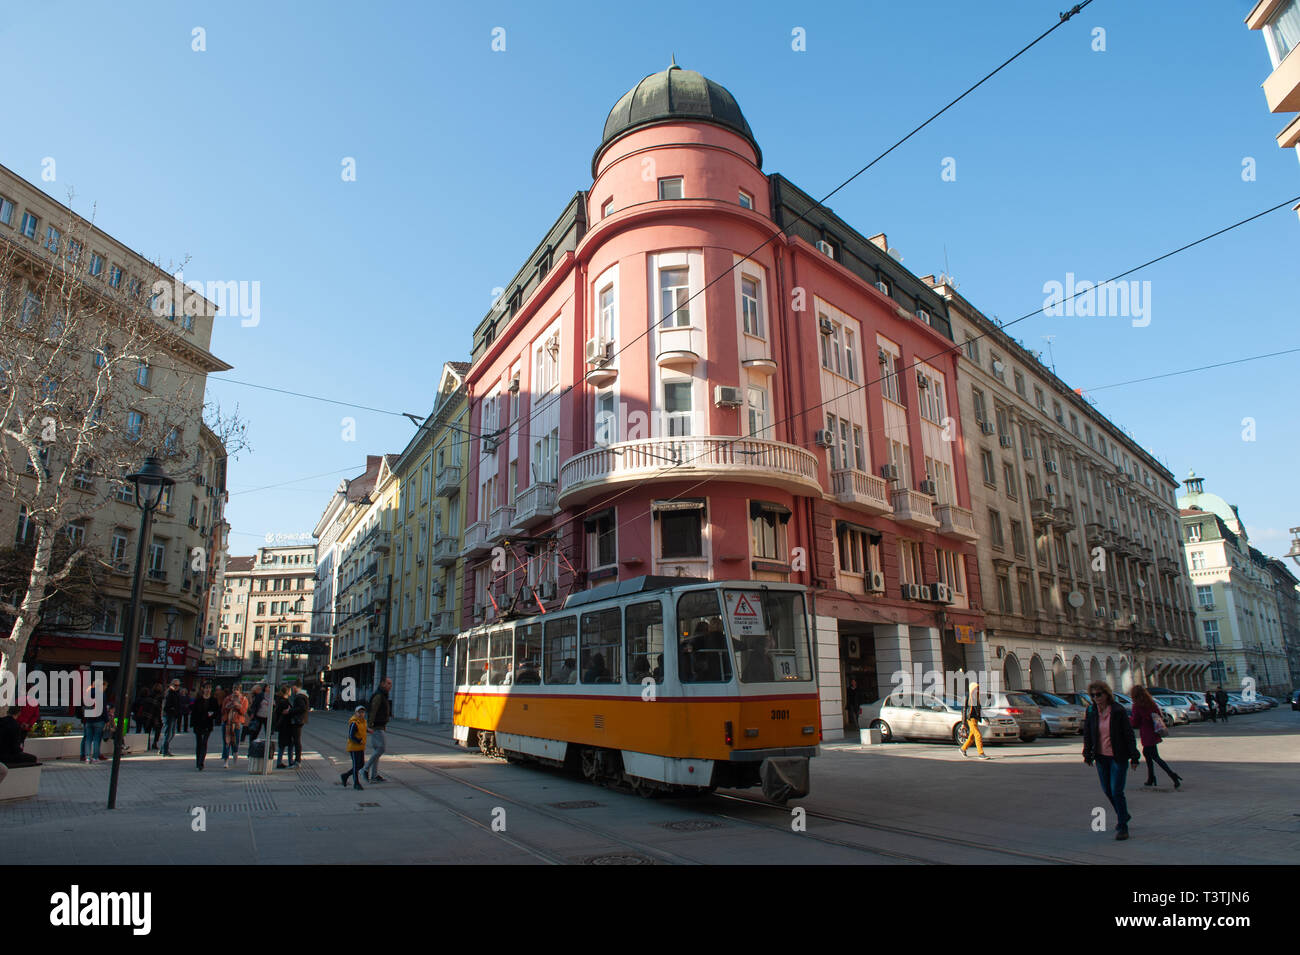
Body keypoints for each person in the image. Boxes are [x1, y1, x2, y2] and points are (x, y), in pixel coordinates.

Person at [1081, 680, 1141, 841]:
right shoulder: (1092, 711)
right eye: (1093, 695)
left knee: (1116, 791)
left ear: (1107, 694)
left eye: (1099, 694)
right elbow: (1088, 733)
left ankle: (1123, 826)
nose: (1096, 698)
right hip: (1101, 757)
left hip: (1118, 757)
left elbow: (1128, 734)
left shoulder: (1117, 711)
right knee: (1107, 790)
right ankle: (1124, 814)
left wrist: (1134, 756)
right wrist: (1087, 753)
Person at [1129, 685, 1182, 789]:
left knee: (1154, 756)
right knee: (1148, 754)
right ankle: (1151, 778)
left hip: (1146, 732)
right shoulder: (1151, 703)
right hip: (1154, 731)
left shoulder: (1137, 705)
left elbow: (1135, 722)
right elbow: (1159, 716)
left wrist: (1129, 720)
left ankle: (1172, 775)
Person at [363, 677, 392, 783]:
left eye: (391, 684)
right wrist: (369, 726)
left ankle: (374, 775)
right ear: (382, 684)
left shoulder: (383, 695)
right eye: (388, 683)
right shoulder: (379, 695)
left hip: (380, 726)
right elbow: (373, 710)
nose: (390, 686)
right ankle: (365, 769)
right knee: (381, 749)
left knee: (377, 750)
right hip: (377, 726)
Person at [190, 683, 219, 771]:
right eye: (206, 688)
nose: (208, 690)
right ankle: (198, 761)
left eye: (209, 688)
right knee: (199, 743)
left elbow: (217, 711)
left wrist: (213, 714)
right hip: (198, 724)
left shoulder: (213, 700)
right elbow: (193, 712)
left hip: (208, 724)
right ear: (203, 689)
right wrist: (192, 724)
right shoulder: (198, 700)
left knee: (204, 743)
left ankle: (201, 763)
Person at [79, 681, 108, 763]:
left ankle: (87, 757)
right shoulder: (101, 694)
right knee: (96, 739)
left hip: (88, 719)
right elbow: (104, 709)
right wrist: (106, 720)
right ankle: (95, 757)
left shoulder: (87, 693)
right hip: (99, 719)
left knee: (88, 739)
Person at [340, 705, 367, 790]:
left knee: (361, 764)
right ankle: (356, 783)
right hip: (354, 747)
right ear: (356, 713)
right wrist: (359, 741)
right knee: (356, 765)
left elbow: (362, 730)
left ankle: (345, 775)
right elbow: (351, 735)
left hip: (361, 747)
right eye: (359, 712)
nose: (361, 714)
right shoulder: (354, 723)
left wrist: (368, 730)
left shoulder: (363, 722)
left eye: (362, 712)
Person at [960, 680, 990, 759]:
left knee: (972, 736)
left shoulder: (976, 697)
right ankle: (981, 753)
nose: (977, 690)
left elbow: (979, 709)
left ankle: (963, 748)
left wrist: (985, 718)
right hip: (970, 718)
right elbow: (963, 710)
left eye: (978, 688)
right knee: (978, 735)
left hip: (975, 719)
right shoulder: (966, 696)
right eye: (976, 688)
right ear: (972, 688)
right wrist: (963, 723)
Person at [221, 687, 247, 768]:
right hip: (227, 722)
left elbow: (244, 712)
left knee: (235, 742)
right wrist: (228, 706)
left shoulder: (243, 700)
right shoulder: (227, 699)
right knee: (226, 742)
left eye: (237, 690)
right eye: (234, 690)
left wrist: (238, 706)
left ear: (240, 691)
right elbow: (222, 710)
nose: (235, 692)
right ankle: (226, 760)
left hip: (237, 723)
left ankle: (235, 753)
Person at [287, 686, 310, 767]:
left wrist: (290, 710)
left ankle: (297, 760)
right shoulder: (304, 696)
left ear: (296, 687)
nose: (292, 690)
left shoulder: (299, 697)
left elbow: (302, 708)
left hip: (298, 720)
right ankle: (296, 760)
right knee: (296, 740)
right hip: (300, 720)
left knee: (296, 740)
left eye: (293, 688)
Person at [159, 679, 182, 757]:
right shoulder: (169, 693)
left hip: (173, 715)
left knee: (171, 734)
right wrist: (173, 709)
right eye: (175, 685)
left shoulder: (176, 693)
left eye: (178, 685)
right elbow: (165, 706)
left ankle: (163, 748)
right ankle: (165, 751)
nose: (177, 687)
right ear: (171, 685)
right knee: (168, 734)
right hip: (168, 715)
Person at [274, 688, 293, 769]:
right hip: (286, 726)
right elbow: (286, 713)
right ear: (288, 692)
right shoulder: (284, 702)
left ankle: (280, 761)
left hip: (282, 726)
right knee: (289, 744)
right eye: (290, 690)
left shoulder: (280, 701)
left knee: (282, 745)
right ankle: (289, 761)